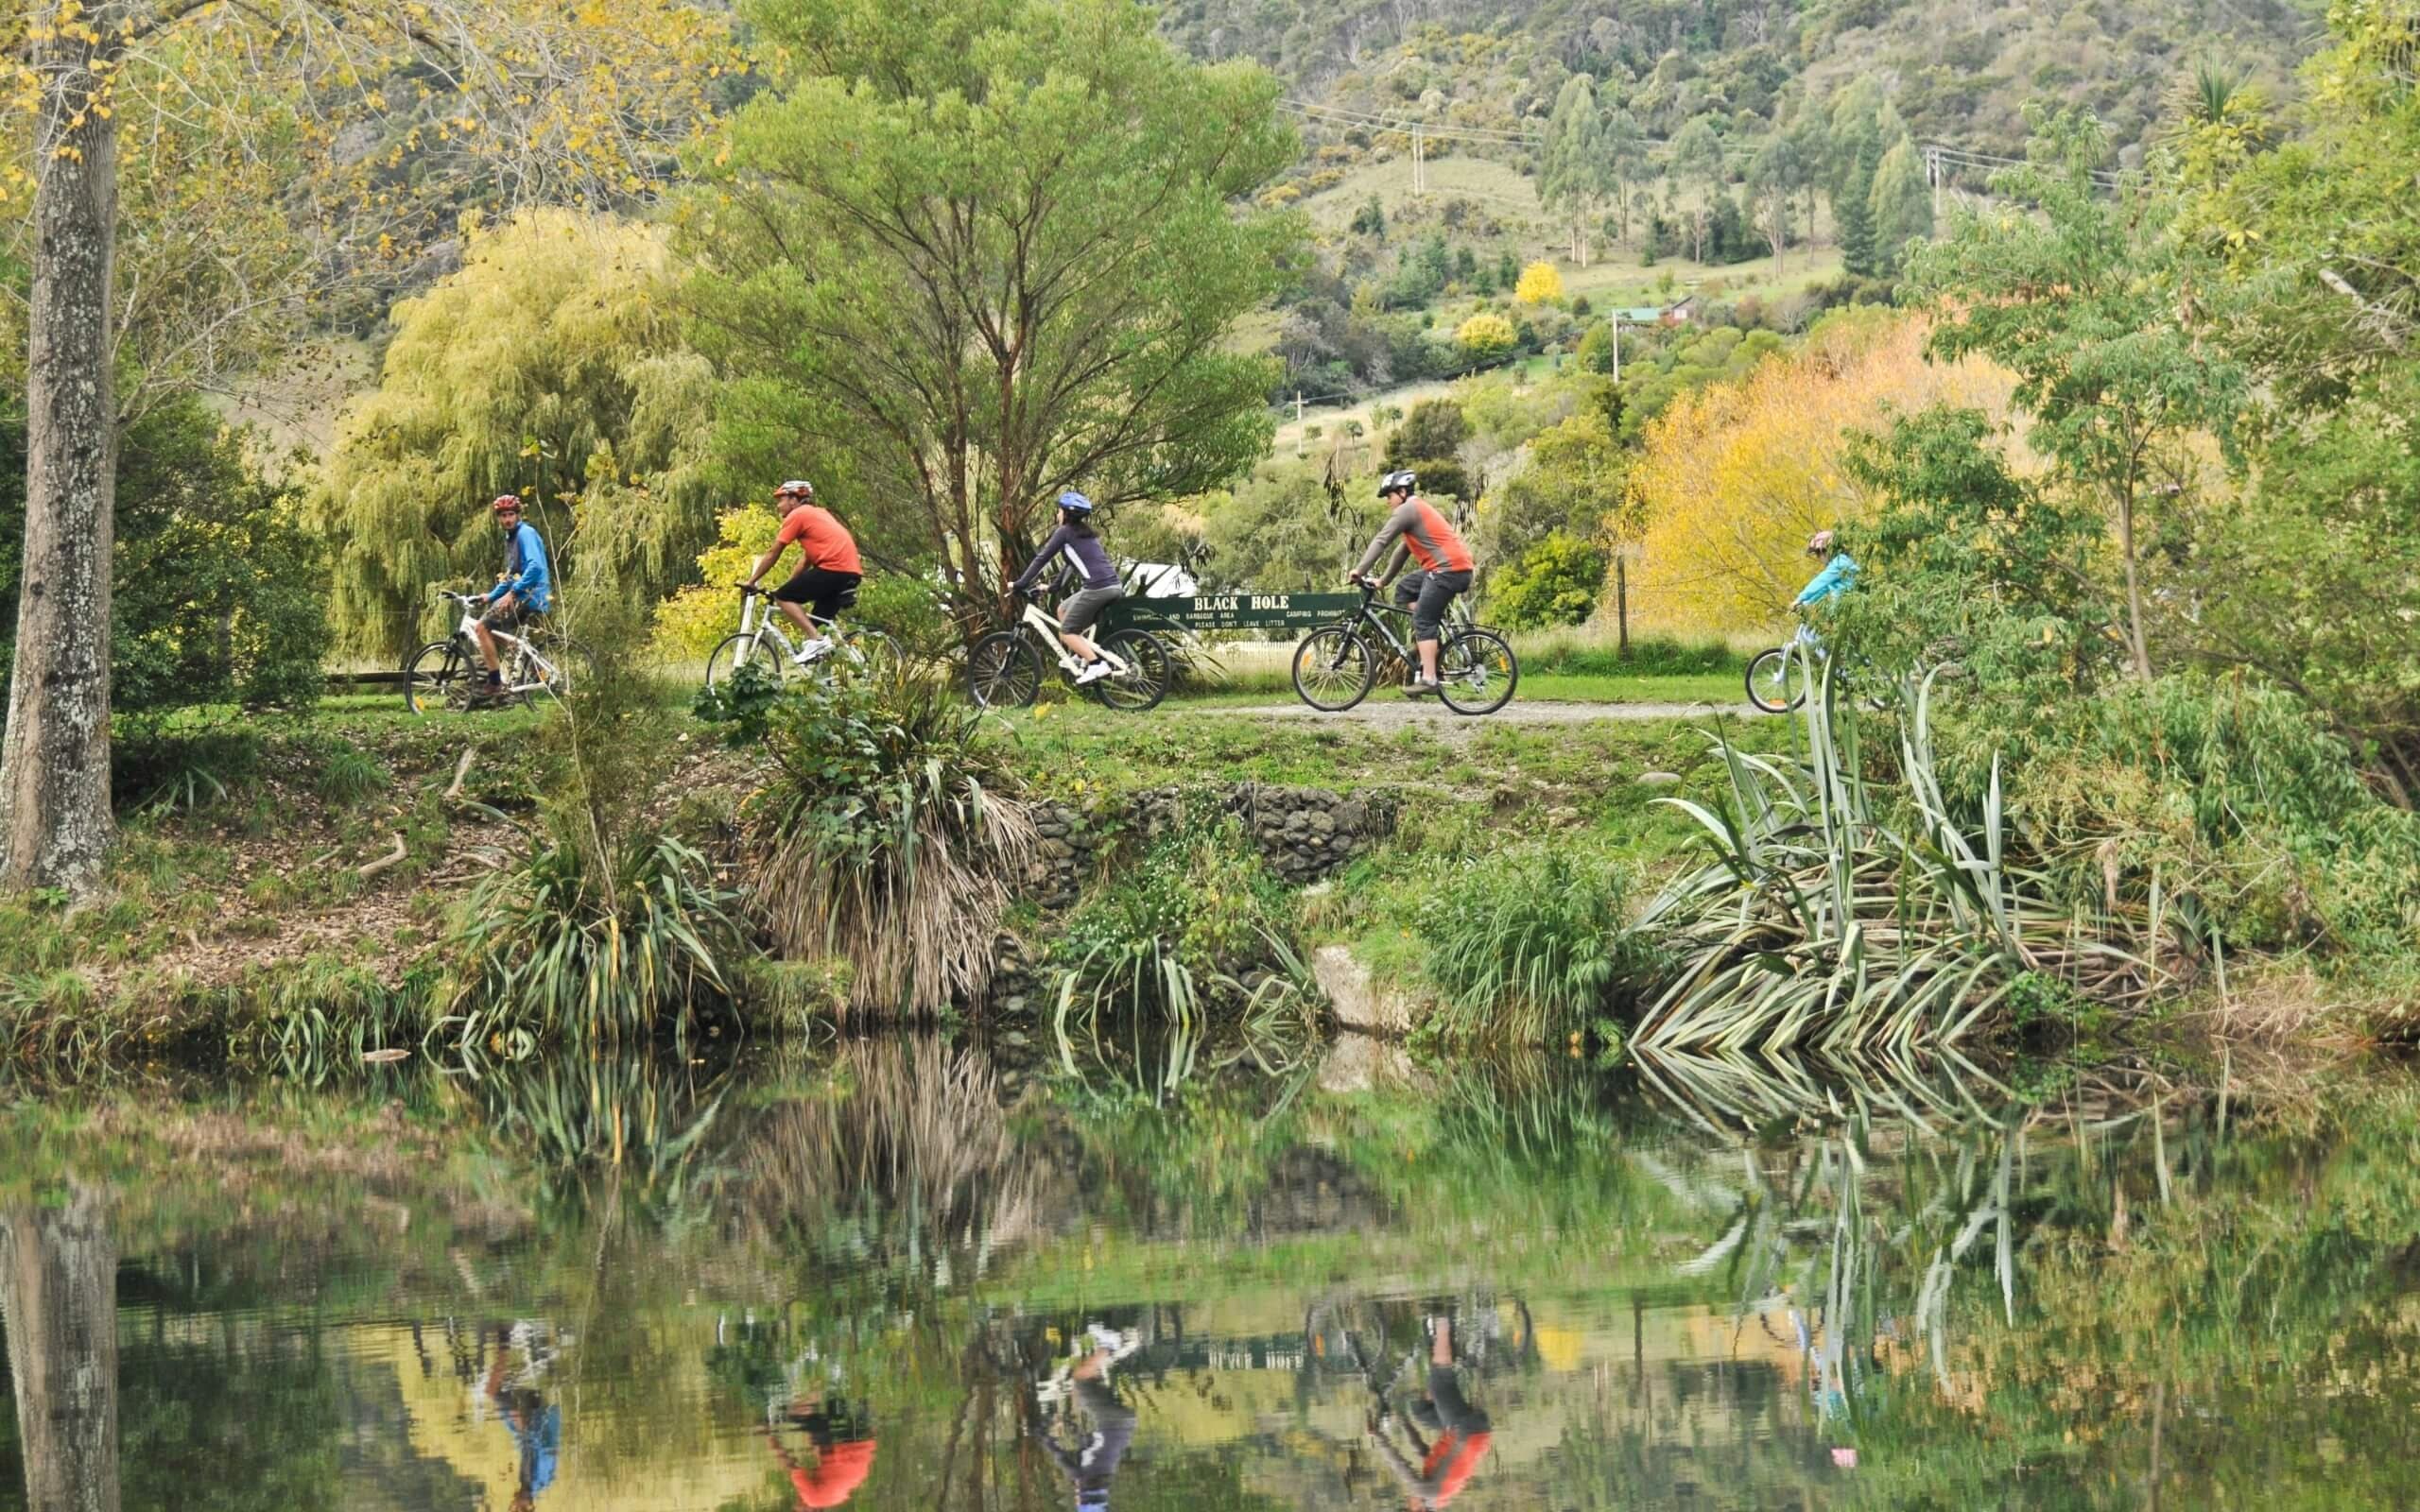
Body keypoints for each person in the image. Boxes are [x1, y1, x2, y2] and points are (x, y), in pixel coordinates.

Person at [1348, 471, 1474, 699]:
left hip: (1447, 571)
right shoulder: (1417, 512)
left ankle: (1429, 678)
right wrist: (1383, 581)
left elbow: (1381, 540)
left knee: (1423, 620)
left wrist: (1360, 570)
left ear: (1403, 492)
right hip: (1453, 569)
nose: (1387, 501)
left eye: (1389, 495)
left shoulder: (1408, 509)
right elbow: (1401, 551)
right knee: (1404, 589)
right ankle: (1430, 642)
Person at [1366, 1314, 1493, 1510]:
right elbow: (1400, 1465)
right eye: (1409, 1506)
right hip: (1465, 1431)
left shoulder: (1437, 1494)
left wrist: (1404, 1421)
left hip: (1471, 1433)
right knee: (1439, 1382)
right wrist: (1378, 1436)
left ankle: (1442, 1345)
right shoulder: (1429, 1493)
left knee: (1421, 1412)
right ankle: (1442, 1318)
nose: (1410, 1500)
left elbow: (1422, 1450)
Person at [740, 480, 864, 665]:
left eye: (780, 500)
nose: (778, 505)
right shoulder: (819, 514)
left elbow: (774, 552)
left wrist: (752, 581)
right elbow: (806, 560)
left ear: (793, 499)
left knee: (784, 599)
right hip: (849, 571)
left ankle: (817, 641)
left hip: (833, 568)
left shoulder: (798, 515)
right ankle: (828, 684)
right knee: (817, 626)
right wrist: (789, 585)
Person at [1010, 490, 1124, 685]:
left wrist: (1020, 583)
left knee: (1066, 632)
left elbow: (1042, 558)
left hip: (1097, 588)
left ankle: (1096, 664)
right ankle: (1080, 654)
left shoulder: (1064, 532)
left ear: (1067, 514)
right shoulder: (1084, 534)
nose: (1057, 515)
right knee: (1062, 609)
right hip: (1111, 586)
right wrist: (1052, 588)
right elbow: (1071, 563)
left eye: (1059, 511)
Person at [1026, 1326, 1138, 1510]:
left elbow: (1088, 1442)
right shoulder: (1082, 1476)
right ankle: (1111, 1346)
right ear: (1082, 1499)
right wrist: (1042, 1436)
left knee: (1088, 1379)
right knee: (1081, 1378)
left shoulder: (1102, 1473)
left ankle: (1108, 1347)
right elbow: (1059, 1454)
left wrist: (1068, 1423)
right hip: (1113, 1422)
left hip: (1123, 1424)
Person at [474, 494, 552, 703]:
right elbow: (512, 576)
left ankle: (495, 683)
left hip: (530, 595)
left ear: (518, 515)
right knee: (498, 632)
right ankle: (526, 664)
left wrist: (513, 593)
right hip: (525, 593)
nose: (507, 519)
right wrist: (491, 596)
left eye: (511, 515)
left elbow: (535, 568)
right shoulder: (512, 538)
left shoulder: (525, 534)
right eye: (503, 516)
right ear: (498, 518)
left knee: (481, 628)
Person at [763, 1396, 878, 1510]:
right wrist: (771, 1440)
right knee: (795, 1415)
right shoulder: (812, 1499)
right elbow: (791, 1465)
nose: (795, 1508)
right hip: (844, 1447)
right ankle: (814, 1395)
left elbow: (831, 1466)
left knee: (828, 1418)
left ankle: (853, 1405)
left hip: (865, 1445)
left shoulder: (835, 1499)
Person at [1794, 529, 1858, 610]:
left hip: (1846, 610)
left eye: (1819, 552)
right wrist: (1806, 603)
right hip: (1843, 609)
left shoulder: (1839, 563)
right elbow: (1824, 588)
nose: (1819, 557)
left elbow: (1820, 582)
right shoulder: (1843, 561)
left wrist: (1799, 599)